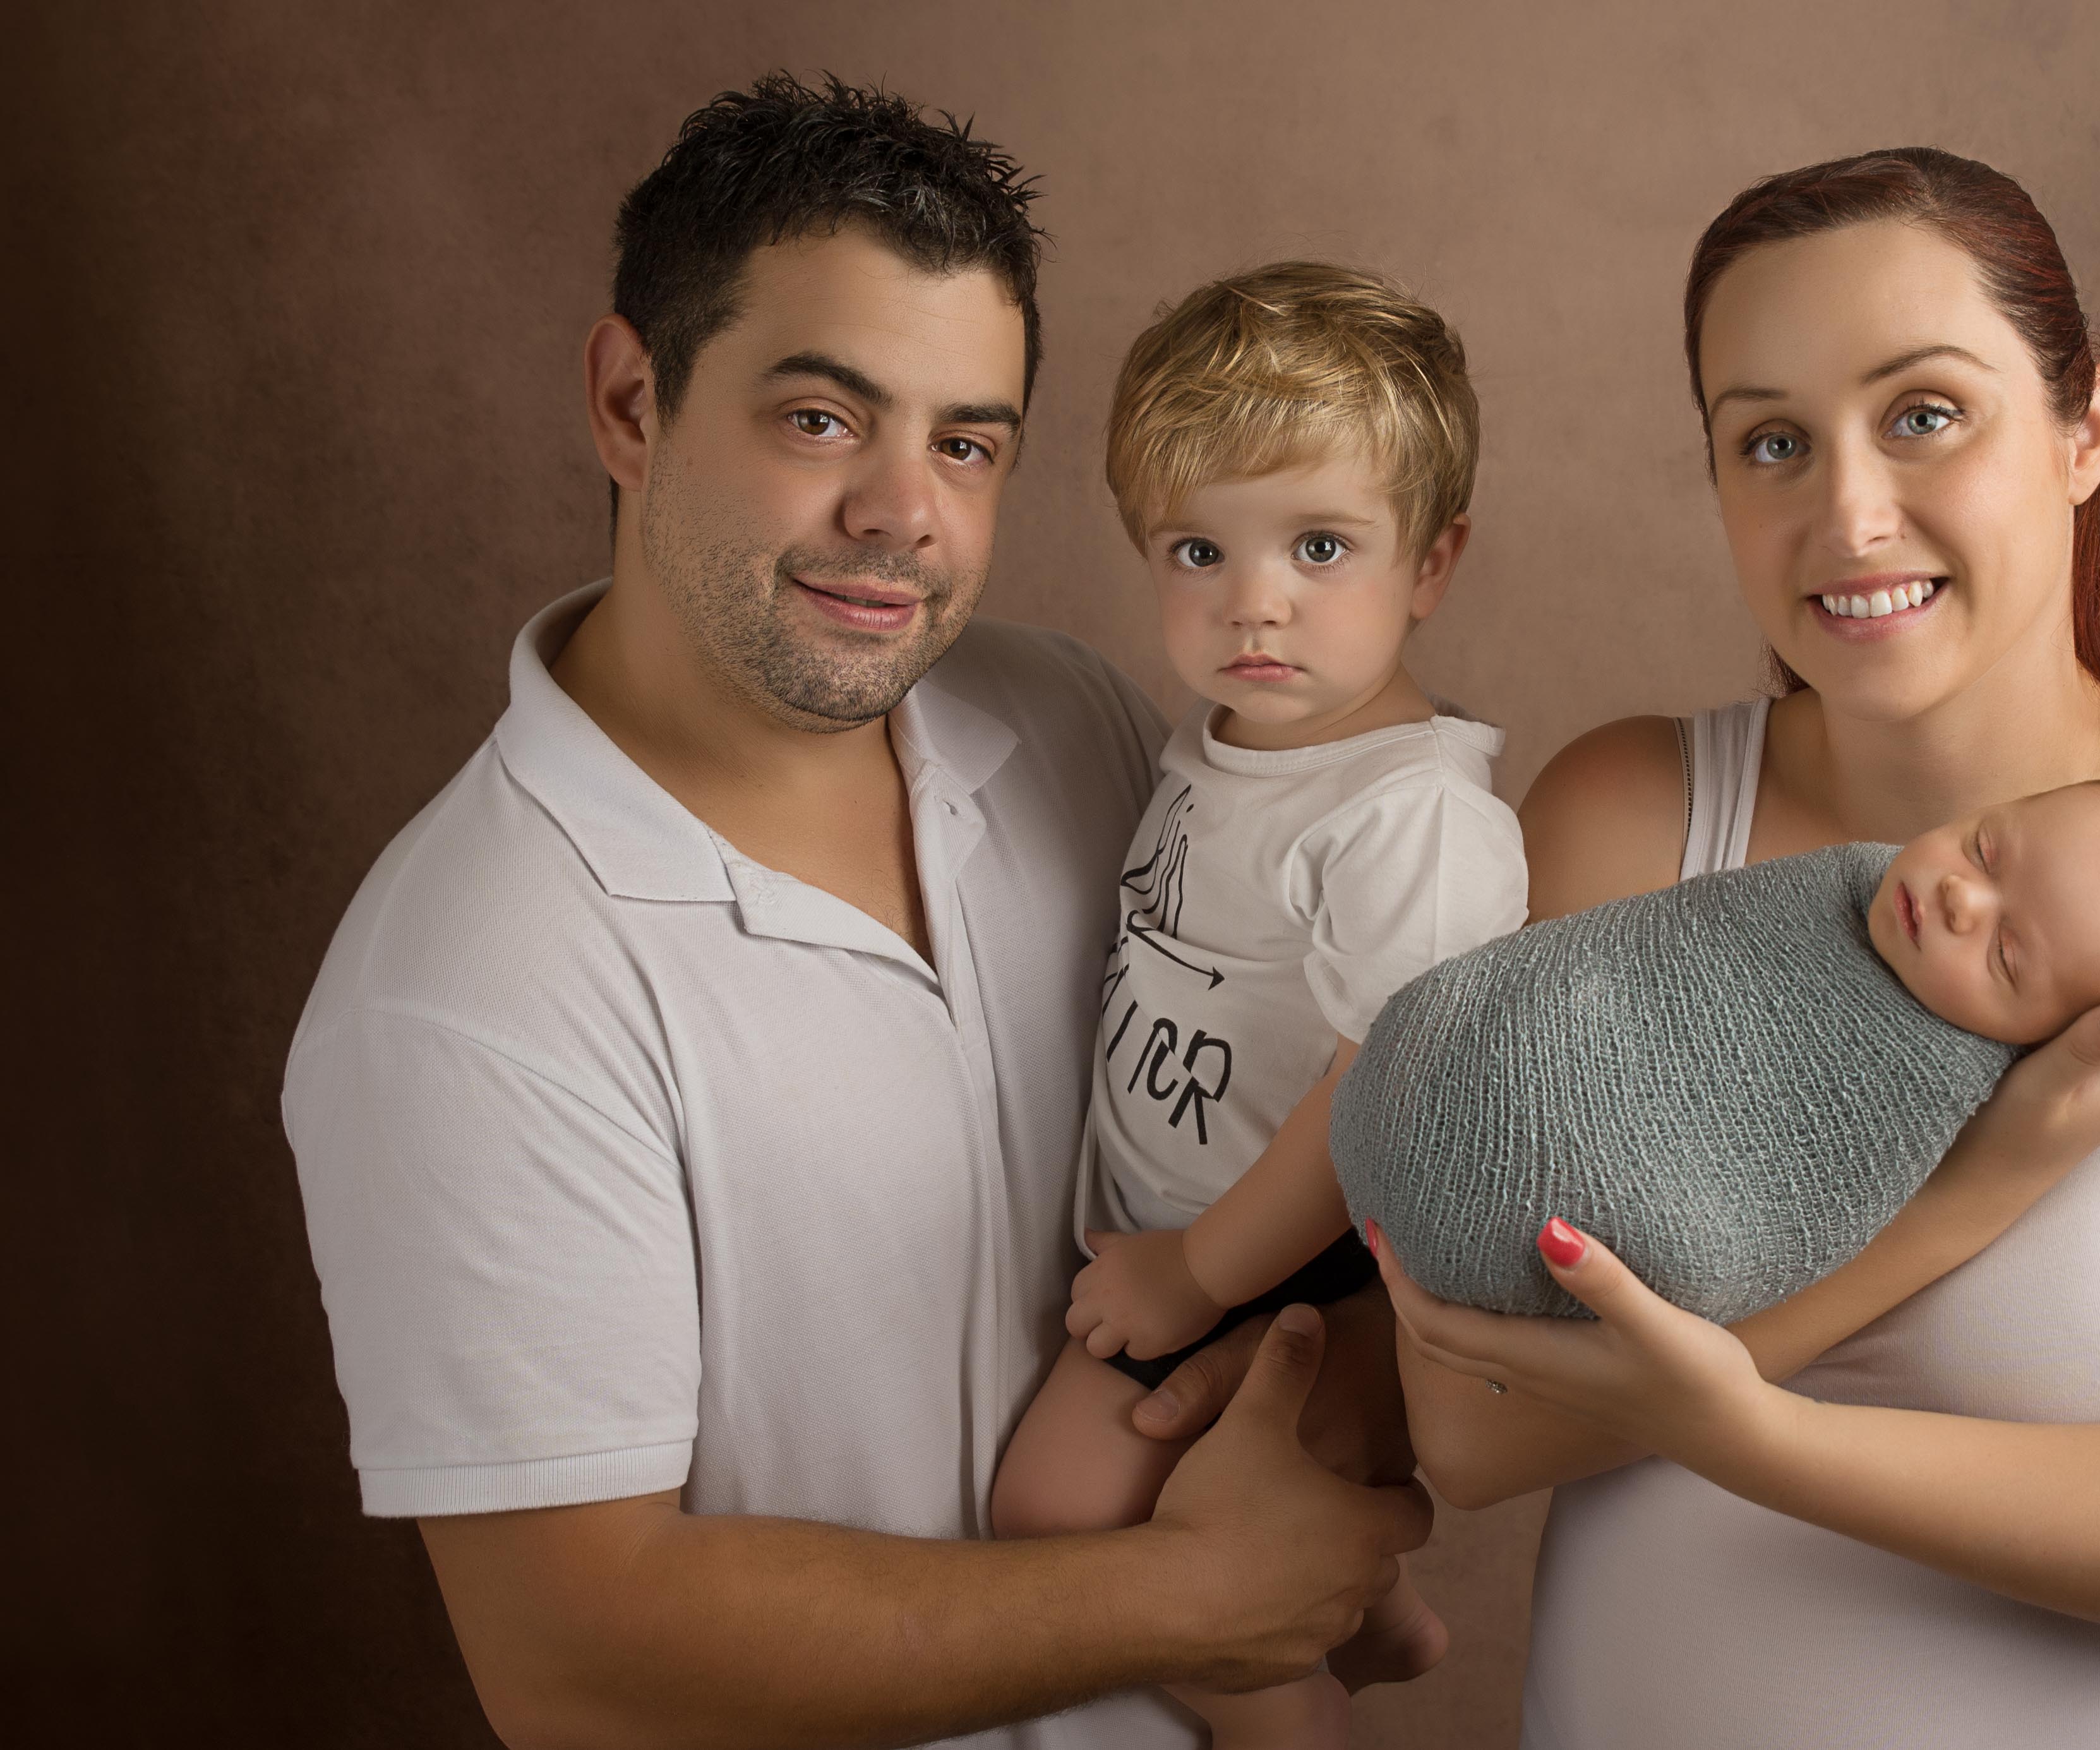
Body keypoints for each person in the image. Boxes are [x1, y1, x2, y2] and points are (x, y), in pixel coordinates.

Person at [280, 76, 1429, 1750]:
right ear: (627, 400)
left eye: (965, 442)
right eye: (820, 418)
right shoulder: (464, 983)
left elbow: (1294, 1114)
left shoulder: (1081, 728)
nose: (904, 511)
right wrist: (1200, 1598)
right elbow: (576, 1660)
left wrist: (1346, 1424)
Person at [1374, 147, 2100, 1747]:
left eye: (1923, 414)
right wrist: (1979, 1190)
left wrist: (1745, 1430)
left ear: (2086, 430)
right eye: (1771, 442)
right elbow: (1464, 1424)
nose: (1847, 516)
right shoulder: (1635, 805)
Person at [989, 262, 1528, 1747]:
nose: (1254, 605)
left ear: (1430, 562)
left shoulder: (1409, 817)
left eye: (1318, 546)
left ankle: (1289, 1716)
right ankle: (1377, 1622)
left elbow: (1384, 1087)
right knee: (1131, 1507)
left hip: (1290, 1259)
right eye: (1197, 551)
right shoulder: (1225, 737)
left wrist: (1200, 1275)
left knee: (1055, 1515)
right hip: (1196, 1231)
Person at [1341, 779, 2100, 1324]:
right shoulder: (1840, 879)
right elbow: (1640, 954)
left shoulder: (1934, 1082)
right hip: (1433, 1069)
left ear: (2055, 1039)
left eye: (2008, 957)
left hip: (1570, 1200)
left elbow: (1796, 1211)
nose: (1963, 899)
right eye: (1986, 847)